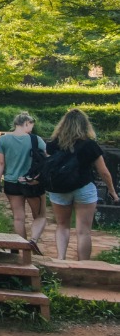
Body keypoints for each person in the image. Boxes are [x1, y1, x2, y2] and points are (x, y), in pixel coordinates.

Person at [44, 108, 118, 261]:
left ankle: (60, 260)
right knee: (83, 231)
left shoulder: (54, 144)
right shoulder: (90, 145)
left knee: (62, 226)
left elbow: (48, 165)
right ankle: (83, 264)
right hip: (84, 188)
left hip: (59, 188)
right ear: (85, 125)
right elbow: (103, 172)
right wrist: (112, 191)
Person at [0, 112, 46, 253]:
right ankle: (33, 241)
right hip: (31, 183)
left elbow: (1, 162)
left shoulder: (3, 140)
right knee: (40, 216)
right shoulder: (36, 140)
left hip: (11, 182)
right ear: (26, 123)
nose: (32, 129)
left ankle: (22, 248)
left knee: (18, 217)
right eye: (31, 125)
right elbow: (48, 159)